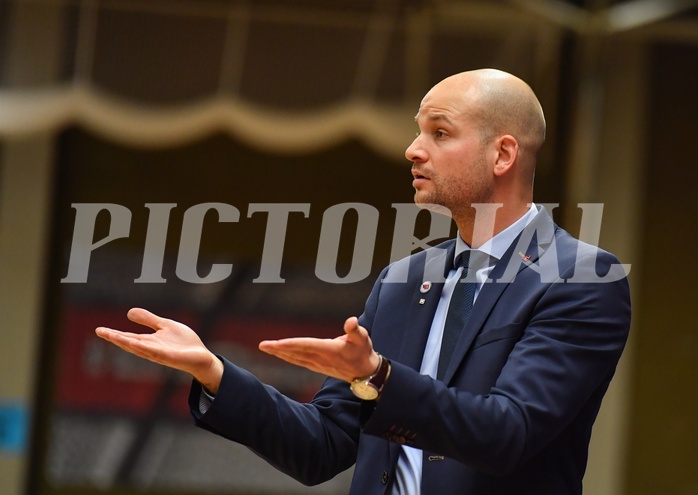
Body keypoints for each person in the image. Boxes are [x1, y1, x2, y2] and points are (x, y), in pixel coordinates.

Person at [96, 68, 631, 495]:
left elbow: (506, 434)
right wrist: (213, 371)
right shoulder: (404, 279)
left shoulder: (582, 279)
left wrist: (379, 375)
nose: (412, 149)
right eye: (419, 131)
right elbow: (322, 446)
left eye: (439, 133)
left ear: (504, 154)